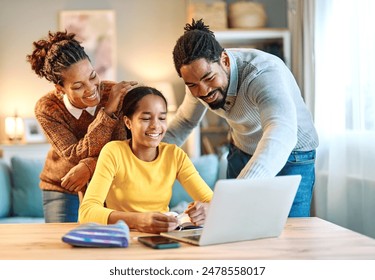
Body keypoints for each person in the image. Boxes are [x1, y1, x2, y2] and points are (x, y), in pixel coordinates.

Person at [163, 19, 319, 217]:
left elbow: (281, 132)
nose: (203, 91)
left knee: (290, 234)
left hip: (293, 153)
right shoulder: (197, 78)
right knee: (234, 228)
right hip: (243, 149)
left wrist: (232, 198)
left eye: (209, 78)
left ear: (225, 61)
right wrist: (144, 158)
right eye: (192, 85)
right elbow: (184, 123)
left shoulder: (262, 73)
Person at [26, 30, 137, 222]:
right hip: (64, 185)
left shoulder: (114, 92)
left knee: (110, 246)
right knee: (63, 247)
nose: (92, 89)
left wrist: (90, 165)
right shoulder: (47, 108)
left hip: (110, 182)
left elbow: (123, 146)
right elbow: (73, 155)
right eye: (78, 86)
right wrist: (108, 112)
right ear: (60, 89)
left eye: (93, 76)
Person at [79, 86, 213, 234]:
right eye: (146, 118)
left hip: (162, 237)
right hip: (123, 236)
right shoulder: (114, 152)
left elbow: (213, 200)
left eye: (162, 118)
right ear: (128, 122)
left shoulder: (175, 155)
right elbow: (87, 211)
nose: (156, 125)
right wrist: (138, 220)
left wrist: (207, 208)